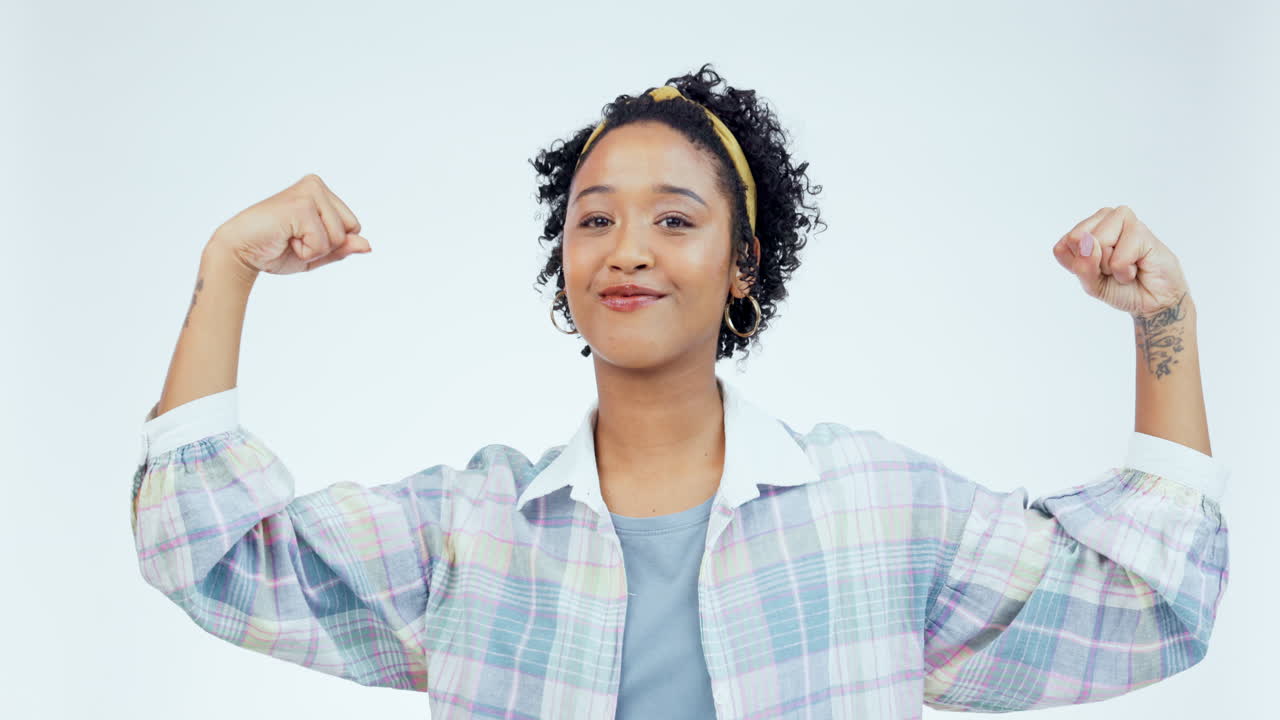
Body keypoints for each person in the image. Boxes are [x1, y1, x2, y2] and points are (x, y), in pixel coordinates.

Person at [130, 63, 1229, 719]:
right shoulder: (467, 532)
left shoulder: (876, 510)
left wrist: (1162, 324)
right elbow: (211, 553)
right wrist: (227, 266)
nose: (626, 251)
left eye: (674, 219)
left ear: (740, 261)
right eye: (593, 218)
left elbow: (1147, 605)